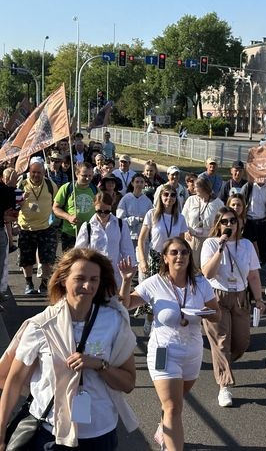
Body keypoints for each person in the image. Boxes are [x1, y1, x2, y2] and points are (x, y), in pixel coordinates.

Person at [0, 248, 137, 449]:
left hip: (100, 434)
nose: (87, 285)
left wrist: (99, 365)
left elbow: (128, 383)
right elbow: (14, 382)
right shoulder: (41, 325)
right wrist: (1, 430)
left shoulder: (115, 322)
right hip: (50, 434)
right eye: (80, 278)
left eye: (94, 279)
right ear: (63, 280)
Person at [118, 237, 219, 451]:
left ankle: (164, 426)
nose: (179, 256)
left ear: (189, 256)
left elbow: (216, 314)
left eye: (184, 252)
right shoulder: (155, 282)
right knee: (174, 407)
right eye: (174, 252)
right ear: (165, 257)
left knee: (174, 403)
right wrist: (127, 280)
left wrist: (206, 314)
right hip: (164, 352)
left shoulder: (200, 283)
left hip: (192, 352)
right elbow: (126, 304)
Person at [201, 207, 264, 407]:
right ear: (218, 225)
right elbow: (208, 273)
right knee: (221, 341)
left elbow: (253, 275)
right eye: (225, 222)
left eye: (233, 221)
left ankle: (224, 363)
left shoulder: (246, 245)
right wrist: (220, 247)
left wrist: (259, 299)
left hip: (240, 296)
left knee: (242, 341)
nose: (229, 225)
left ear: (239, 224)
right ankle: (224, 387)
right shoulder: (211, 243)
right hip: (216, 295)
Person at [75, 192, 135, 287]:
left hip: (115, 272)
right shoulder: (87, 226)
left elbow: (127, 249)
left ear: (111, 208)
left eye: (107, 211)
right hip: (93, 272)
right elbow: (79, 251)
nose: (103, 214)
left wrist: (131, 267)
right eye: (99, 211)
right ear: (94, 207)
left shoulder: (121, 224)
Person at [17, 158, 58, 295]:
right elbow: (13, 204)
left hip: (46, 227)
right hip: (26, 228)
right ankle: (29, 283)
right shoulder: (22, 184)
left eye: (39, 172)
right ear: (29, 171)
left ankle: (44, 283)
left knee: (47, 258)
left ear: (44, 172)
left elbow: (57, 202)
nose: (36, 175)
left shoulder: (50, 185)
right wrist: (21, 200)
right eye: (33, 172)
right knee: (26, 258)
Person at [52, 162, 98, 253]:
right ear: (77, 174)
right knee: (69, 263)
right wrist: (68, 217)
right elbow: (55, 208)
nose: (88, 178)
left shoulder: (95, 190)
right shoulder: (67, 188)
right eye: (84, 175)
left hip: (89, 233)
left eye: (90, 175)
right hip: (70, 233)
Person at [182, 177, 224, 266]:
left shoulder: (218, 204)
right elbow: (183, 218)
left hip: (209, 240)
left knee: (206, 265)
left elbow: (221, 223)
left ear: (204, 187)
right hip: (192, 239)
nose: (193, 188)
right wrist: (185, 231)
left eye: (196, 186)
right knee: (191, 266)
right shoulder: (191, 200)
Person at [241, 180, 266, 266]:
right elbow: (240, 203)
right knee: (249, 250)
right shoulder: (248, 187)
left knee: (264, 253)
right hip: (249, 224)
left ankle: (261, 273)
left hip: (264, 224)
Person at [116, 173, 154, 251]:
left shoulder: (147, 201)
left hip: (143, 238)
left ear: (144, 184)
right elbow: (120, 219)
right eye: (137, 182)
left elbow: (152, 220)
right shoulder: (126, 199)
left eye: (141, 182)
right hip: (128, 236)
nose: (139, 184)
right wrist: (137, 219)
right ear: (132, 183)